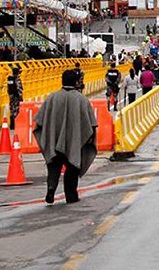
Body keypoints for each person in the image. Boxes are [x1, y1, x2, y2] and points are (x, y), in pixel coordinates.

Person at [34, 70, 98, 205]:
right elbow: (91, 123)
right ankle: (71, 196)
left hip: (54, 139)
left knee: (54, 165)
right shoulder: (81, 99)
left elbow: (39, 121)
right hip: (74, 141)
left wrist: (48, 134)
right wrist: (90, 138)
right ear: (76, 82)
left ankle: (51, 188)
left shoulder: (52, 97)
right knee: (72, 167)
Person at [6, 66, 24, 130]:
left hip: (11, 96)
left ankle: (12, 125)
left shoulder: (9, 79)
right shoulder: (17, 79)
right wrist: (21, 97)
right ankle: (15, 125)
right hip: (16, 97)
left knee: (12, 109)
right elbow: (19, 88)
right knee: (16, 110)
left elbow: (8, 88)